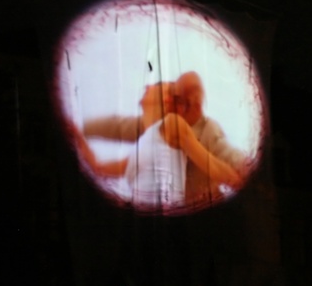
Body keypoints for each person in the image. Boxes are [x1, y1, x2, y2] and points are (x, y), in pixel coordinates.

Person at [82, 71, 251, 205]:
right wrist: (78, 133)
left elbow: (228, 166)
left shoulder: (189, 128)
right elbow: (114, 133)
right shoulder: (149, 133)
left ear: (166, 99)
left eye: (157, 85)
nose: (148, 86)